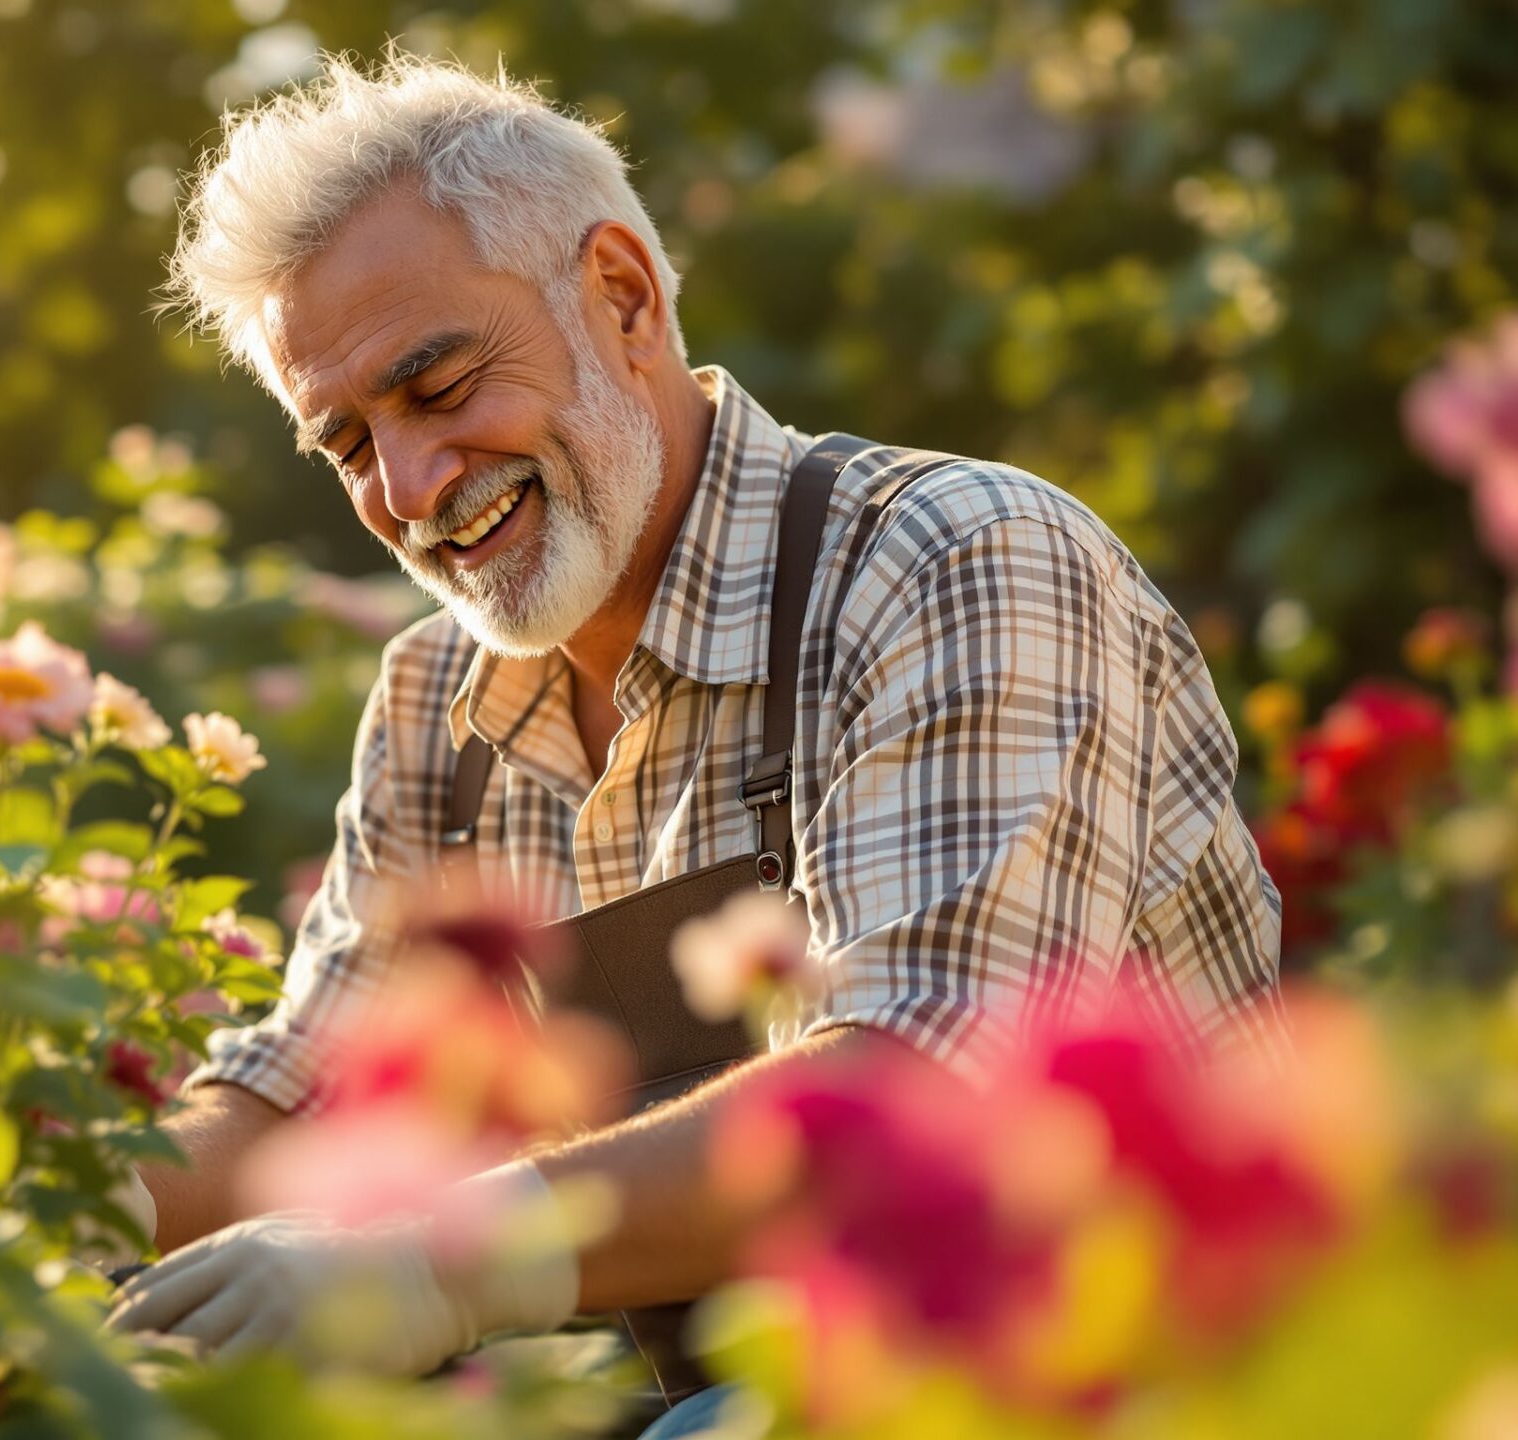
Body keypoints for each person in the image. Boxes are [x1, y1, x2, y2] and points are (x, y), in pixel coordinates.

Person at [103, 52, 1286, 1424]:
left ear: (623, 296)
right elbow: (295, 1109)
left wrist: (438, 1259)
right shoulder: (440, 702)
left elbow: (911, 1095)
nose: (410, 487)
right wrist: (17, 1219)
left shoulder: (950, 564)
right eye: (350, 442)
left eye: (436, 389)